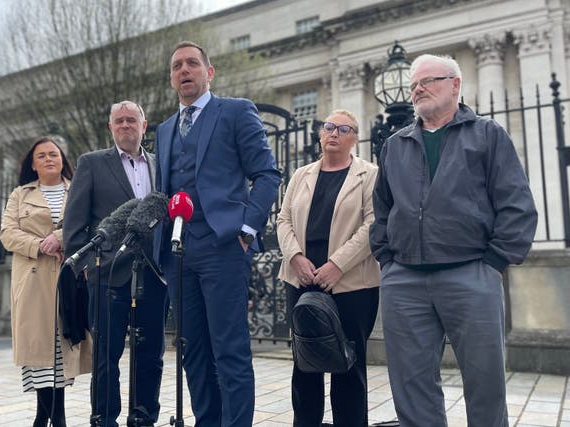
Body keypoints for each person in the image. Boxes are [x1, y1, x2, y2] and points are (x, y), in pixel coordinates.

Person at [369, 54, 538, 426]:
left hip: (471, 274)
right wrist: (387, 259)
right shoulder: (395, 145)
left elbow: (517, 205)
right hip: (404, 279)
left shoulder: (487, 134)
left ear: (456, 85)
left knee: (485, 382)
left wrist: (494, 263)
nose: (418, 89)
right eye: (414, 85)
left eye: (429, 81)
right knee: (410, 384)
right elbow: (381, 210)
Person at [154, 41, 281, 427]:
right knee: (192, 350)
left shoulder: (236, 111)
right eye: (177, 66)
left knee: (230, 350)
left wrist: (246, 229)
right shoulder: (163, 130)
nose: (184, 70)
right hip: (179, 254)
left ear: (210, 72)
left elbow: (267, 175)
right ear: (172, 77)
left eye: (193, 63)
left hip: (223, 246)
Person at [62, 101, 167, 427]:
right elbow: (74, 224)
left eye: (131, 120)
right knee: (107, 357)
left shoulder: (159, 164)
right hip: (107, 277)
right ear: (111, 127)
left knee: (151, 355)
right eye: (119, 121)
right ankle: (104, 419)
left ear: (143, 125)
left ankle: (143, 418)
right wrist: (91, 267)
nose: (125, 125)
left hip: (153, 274)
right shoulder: (91, 163)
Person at [276, 110, 380, 427]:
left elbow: (373, 224)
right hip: (301, 280)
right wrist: (295, 257)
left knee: (349, 367)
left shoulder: (370, 174)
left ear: (354, 138)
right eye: (329, 127)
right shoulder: (301, 175)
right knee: (305, 365)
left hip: (352, 285)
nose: (334, 133)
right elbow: (283, 220)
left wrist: (337, 265)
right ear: (321, 135)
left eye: (343, 128)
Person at [0, 137, 76, 427]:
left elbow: (86, 223)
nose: (48, 159)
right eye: (41, 155)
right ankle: (53, 418)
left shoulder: (76, 188)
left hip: (67, 277)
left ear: (62, 158)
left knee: (61, 349)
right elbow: (7, 233)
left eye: (53, 154)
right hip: (32, 280)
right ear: (32, 164)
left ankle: (45, 418)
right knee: (39, 350)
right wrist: (39, 245)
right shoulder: (20, 194)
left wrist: (58, 237)